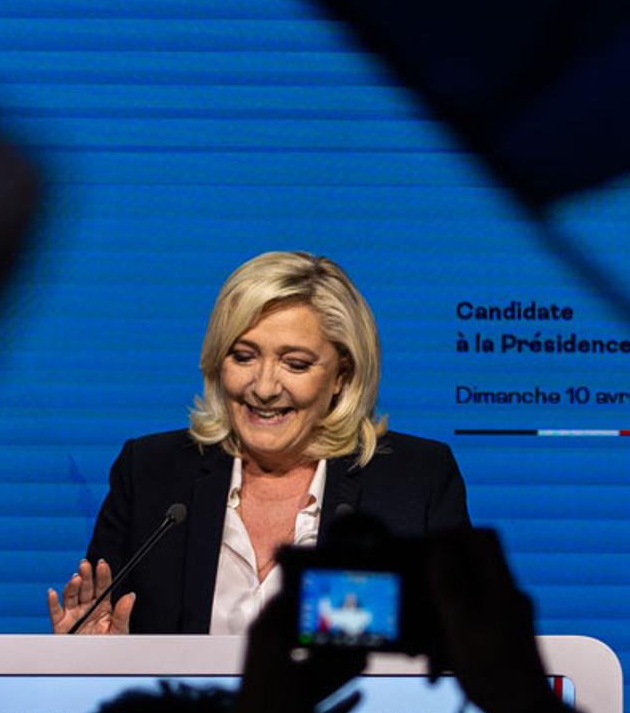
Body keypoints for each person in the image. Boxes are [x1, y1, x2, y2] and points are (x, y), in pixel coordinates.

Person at [50, 252, 467, 637]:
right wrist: (98, 659)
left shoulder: (415, 482)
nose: (264, 387)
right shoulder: (151, 474)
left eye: (295, 363)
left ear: (342, 374)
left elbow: (459, 647)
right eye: (244, 357)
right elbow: (104, 635)